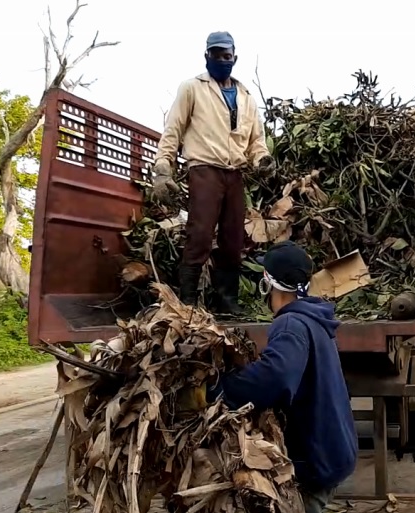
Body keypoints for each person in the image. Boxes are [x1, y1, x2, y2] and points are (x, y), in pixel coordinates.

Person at [215, 241, 358, 513]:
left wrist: (220, 387)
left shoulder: (291, 323)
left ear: (267, 284)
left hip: (315, 462)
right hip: (332, 454)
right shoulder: (313, 319)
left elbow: (274, 378)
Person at [150, 30, 274, 314]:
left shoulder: (246, 97)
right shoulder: (192, 88)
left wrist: (263, 159)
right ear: (206, 56)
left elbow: (256, 140)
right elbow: (173, 130)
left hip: (235, 174)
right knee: (201, 234)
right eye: (215, 55)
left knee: (233, 240)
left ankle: (227, 301)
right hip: (205, 169)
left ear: (235, 58)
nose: (221, 59)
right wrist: (162, 168)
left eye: (226, 55)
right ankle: (189, 300)